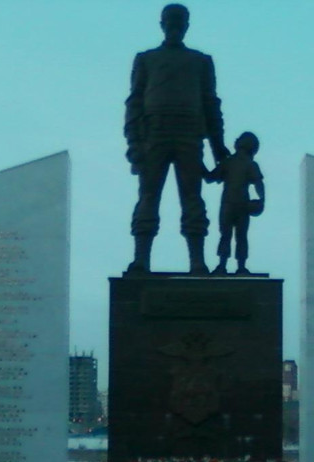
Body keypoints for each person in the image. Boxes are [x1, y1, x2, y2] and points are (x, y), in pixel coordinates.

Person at [125, 4, 228, 275]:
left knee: (193, 199)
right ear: (162, 24)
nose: (174, 26)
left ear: (186, 25)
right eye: (170, 21)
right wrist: (134, 144)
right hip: (153, 134)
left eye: (179, 21)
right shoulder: (145, 59)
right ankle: (141, 260)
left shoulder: (201, 61)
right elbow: (134, 103)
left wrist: (218, 149)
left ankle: (197, 261)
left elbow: (210, 103)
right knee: (148, 197)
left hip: (189, 135)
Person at [205, 131, 265, 275]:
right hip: (242, 205)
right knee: (241, 236)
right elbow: (259, 184)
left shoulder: (229, 162)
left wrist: (198, 164)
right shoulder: (248, 164)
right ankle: (241, 266)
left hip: (229, 204)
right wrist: (262, 200)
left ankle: (222, 265)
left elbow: (210, 177)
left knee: (225, 234)